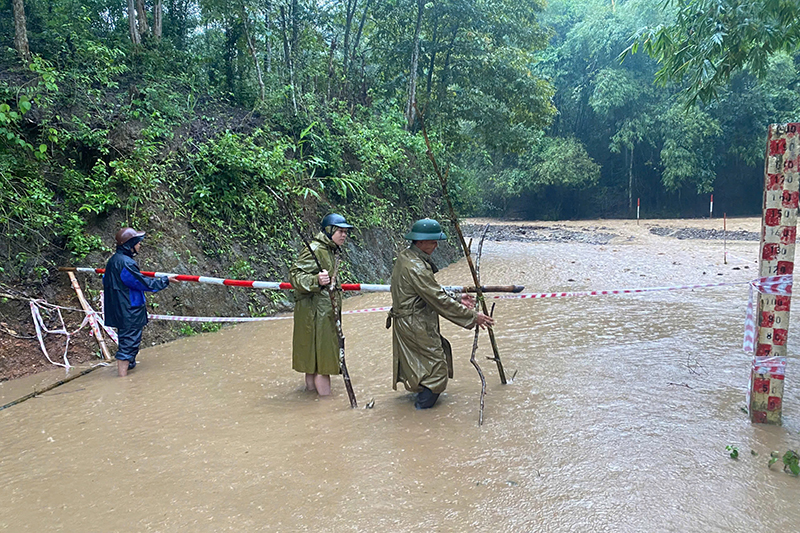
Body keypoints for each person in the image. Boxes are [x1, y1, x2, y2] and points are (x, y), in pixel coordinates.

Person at [387, 218, 495, 409]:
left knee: (420, 362)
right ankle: (422, 415)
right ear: (420, 242)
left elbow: (430, 290)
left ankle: (416, 411)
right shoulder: (416, 267)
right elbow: (437, 298)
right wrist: (472, 316)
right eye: (432, 241)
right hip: (415, 324)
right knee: (437, 369)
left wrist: (457, 298)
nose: (436, 245)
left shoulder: (407, 257)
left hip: (411, 321)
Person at [289, 213, 353, 396]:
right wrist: (316, 280)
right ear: (329, 230)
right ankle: (326, 407)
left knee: (313, 362)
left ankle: (312, 404)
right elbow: (295, 276)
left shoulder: (328, 250)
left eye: (345, 232)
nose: (343, 235)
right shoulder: (316, 249)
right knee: (322, 362)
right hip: (315, 313)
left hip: (319, 311)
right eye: (340, 231)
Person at [103, 227, 180, 377]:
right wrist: (165, 280)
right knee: (128, 344)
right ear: (129, 244)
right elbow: (143, 284)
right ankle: (122, 381)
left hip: (118, 308)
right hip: (128, 309)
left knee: (126, 339)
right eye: (137, 243)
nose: (139, 245)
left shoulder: (113, 261)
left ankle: (128, 368)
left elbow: (106, 280)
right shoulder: (126, 263)